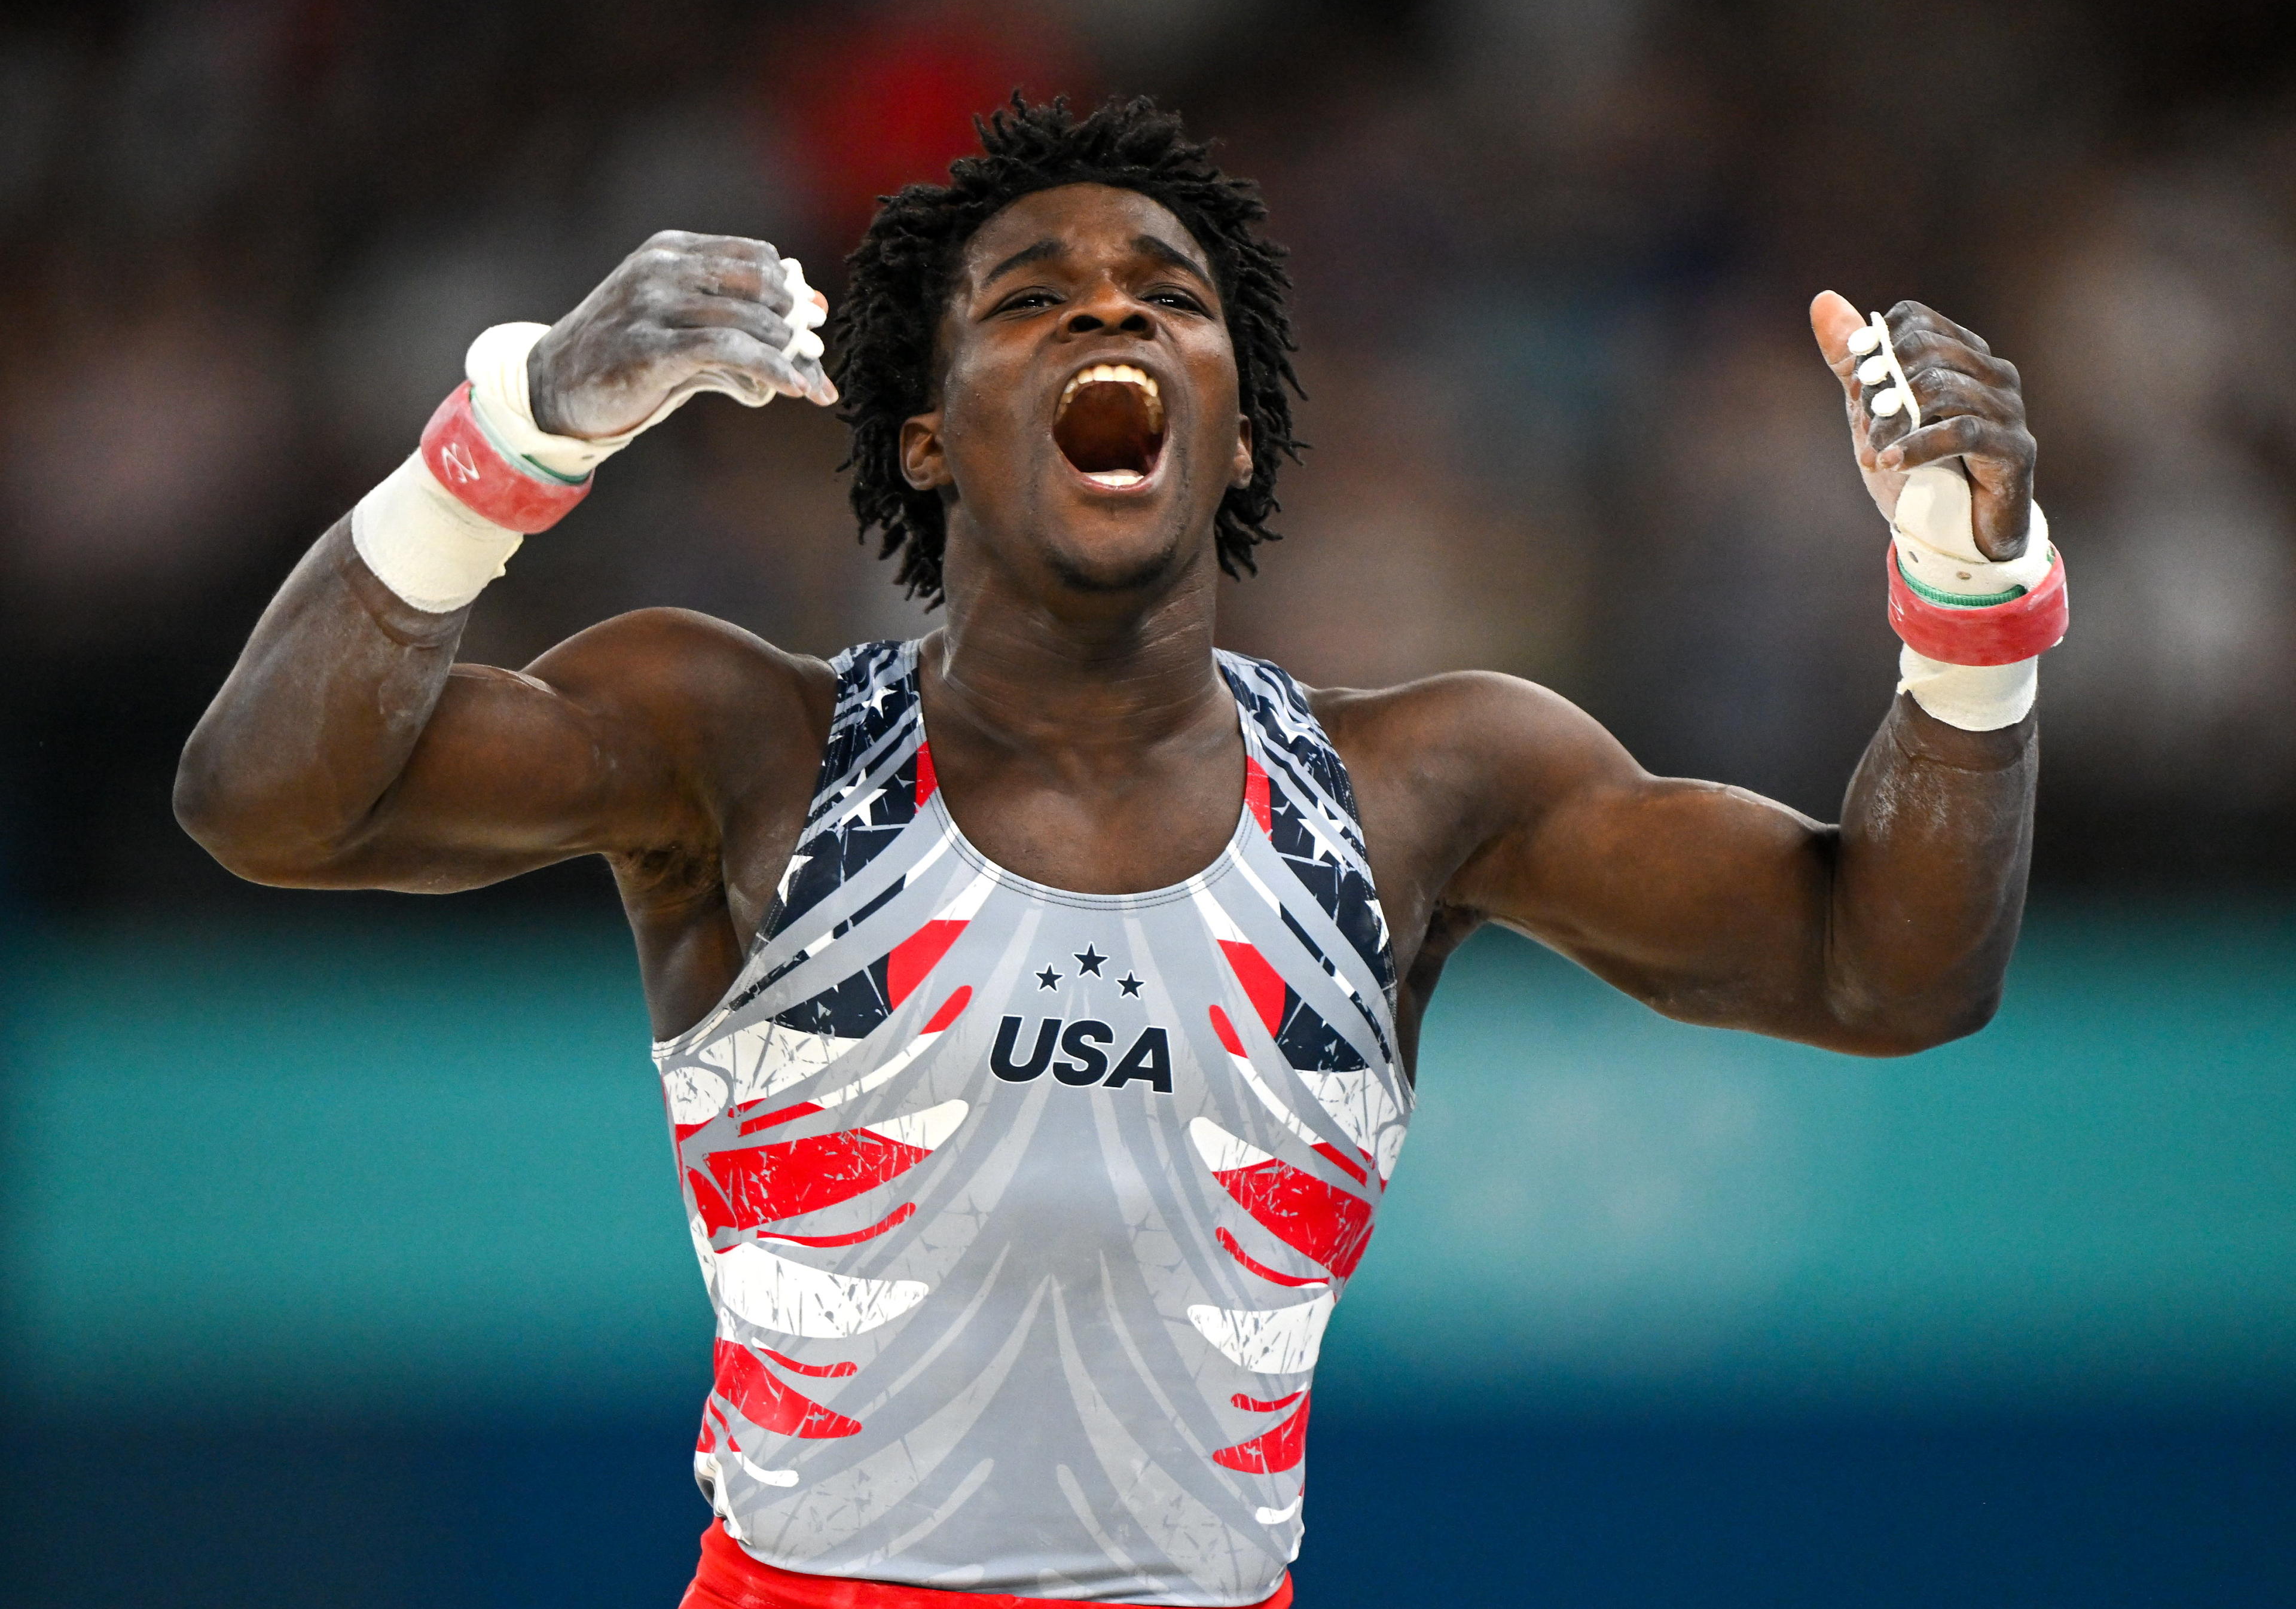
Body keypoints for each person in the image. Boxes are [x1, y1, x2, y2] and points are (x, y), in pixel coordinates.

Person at [176, 96, 2058, 1608]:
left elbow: (1893, 971)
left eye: (1169, 291)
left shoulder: (1429, 789)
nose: (1110, 311)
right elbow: (266, 801)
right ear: (922, 440)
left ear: (1236, 437)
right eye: (1028, 298)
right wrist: (514, 435)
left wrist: (1968, 595)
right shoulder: (735, 744)